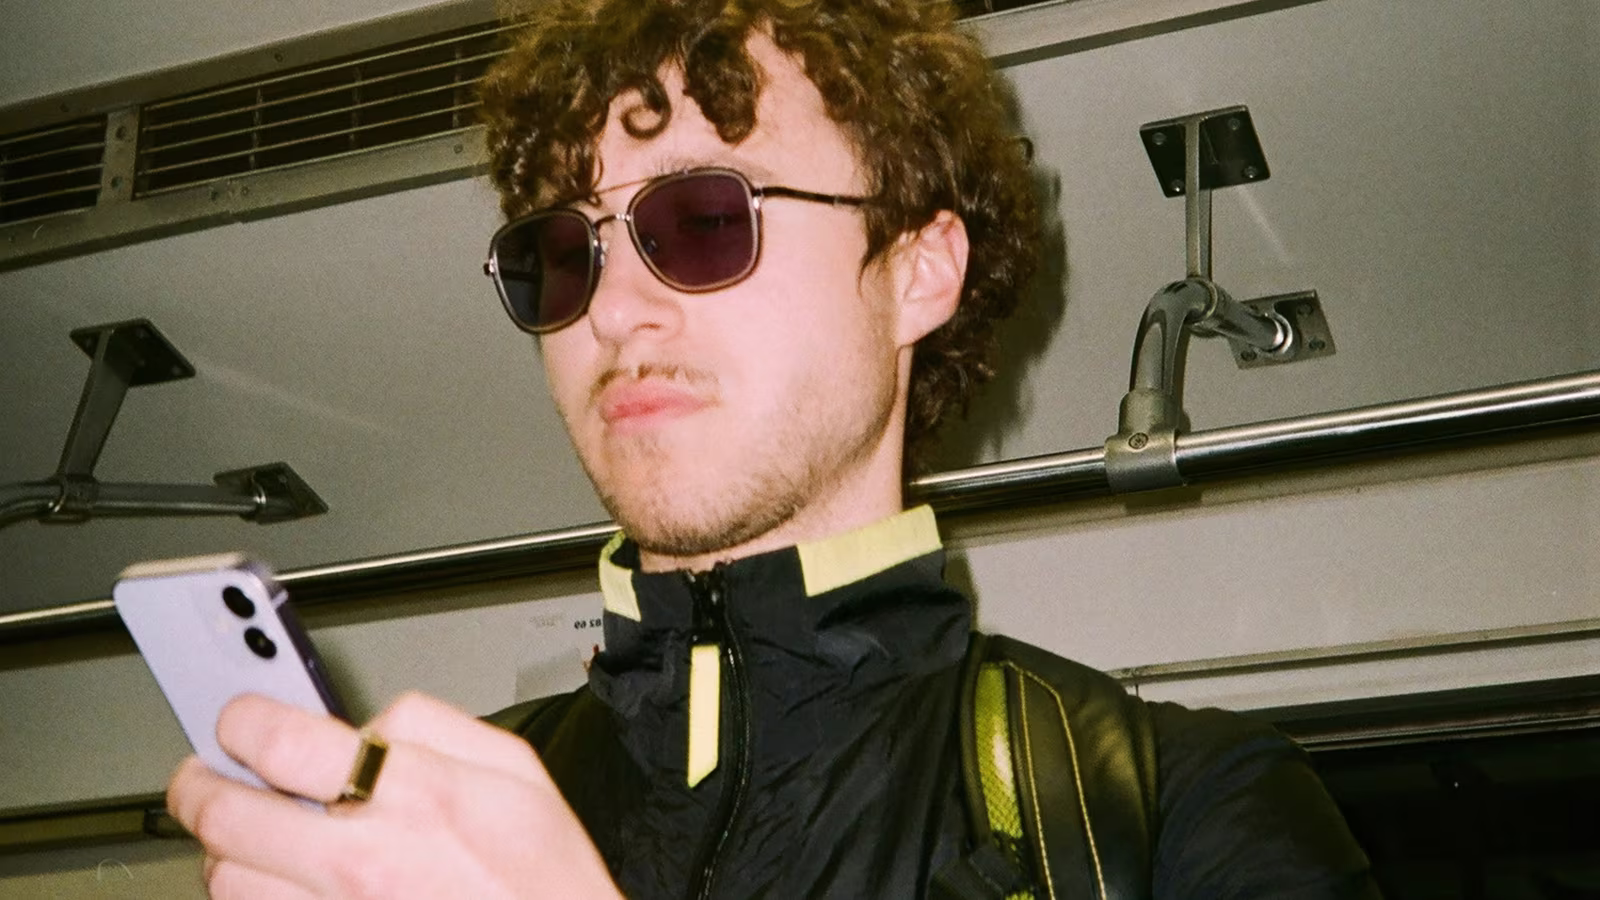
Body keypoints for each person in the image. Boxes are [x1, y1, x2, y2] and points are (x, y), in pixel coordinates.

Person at [167, 0, 1380, 897]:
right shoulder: (447, 815)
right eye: (566, 251)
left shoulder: (1171, 814)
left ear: (916, 269)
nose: (614, 309)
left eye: (701, 219)